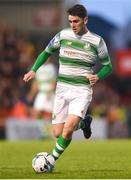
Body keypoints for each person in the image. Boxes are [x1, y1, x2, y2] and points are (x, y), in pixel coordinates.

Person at [23, 4, 112, 172]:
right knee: (58, 132)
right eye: (70, 21)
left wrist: (98, 76)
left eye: (76, 21)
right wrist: (34, 70)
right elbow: (46, 52)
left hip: (82, 90)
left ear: (85, 20)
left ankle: (51, 160)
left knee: (69, 127)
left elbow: (108, 66)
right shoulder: (62, 35)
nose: (72, 24)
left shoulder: (97, 41)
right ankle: (84, 123)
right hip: (62, 89)